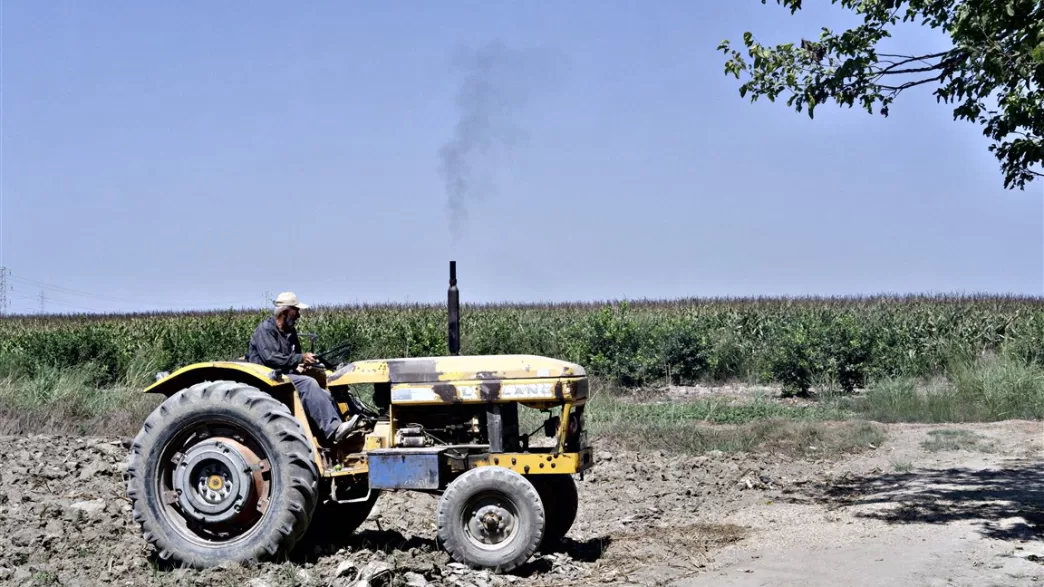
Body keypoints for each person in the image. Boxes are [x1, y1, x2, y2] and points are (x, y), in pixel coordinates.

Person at [246, 291, 362, 444]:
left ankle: (335, 434)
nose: (299, 316)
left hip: (285, 376)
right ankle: (333, 429)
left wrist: (302, 366)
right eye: (296, 311)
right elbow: (271, 358)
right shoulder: (265, 330)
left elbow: (293, 358)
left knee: (325, 392)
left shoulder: (290, 332)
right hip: (267, 379)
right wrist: (300, 358)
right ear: (286, 311)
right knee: (308, 384)